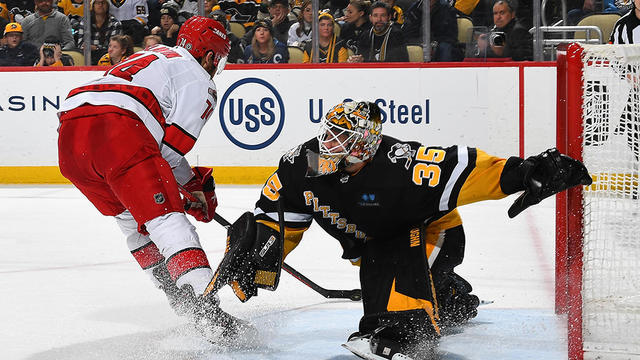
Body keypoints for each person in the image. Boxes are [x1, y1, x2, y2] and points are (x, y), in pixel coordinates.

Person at [209, 100, 592, 359]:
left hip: (433, 235)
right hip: (377, 242)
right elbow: (278, 216)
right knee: (394, 264)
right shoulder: (301, 165)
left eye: (342, 137)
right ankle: (454, 300)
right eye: (329, 132)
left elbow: (467, 168)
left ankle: (403, 334)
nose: (329, 143)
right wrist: (260, 253)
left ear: (366, 143)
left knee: (386, 252)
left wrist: (526, 172)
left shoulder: (401, 165)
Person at [56, 16, 250, 340]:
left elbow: (158, 153)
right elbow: (170, 154)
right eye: (218, 60)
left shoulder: (156, 54)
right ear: (210, 56)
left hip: (71, 130)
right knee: (166, 220)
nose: (217, 67)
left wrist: (188, 188)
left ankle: (180, 298)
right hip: (118, 126)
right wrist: (191, 191)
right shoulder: (200, 79)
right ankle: (208, 311)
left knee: (133, 221)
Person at [74, 0, 123, 65]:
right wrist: (86, 47)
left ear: (108, 6)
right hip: (87, 56)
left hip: (107, 57)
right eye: (97, 3)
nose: (100, 5)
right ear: (93, 6)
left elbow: (114, 47)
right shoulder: (85, 22)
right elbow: (80, 44)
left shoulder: (115, 23)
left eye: (103, 2)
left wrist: (96, 48)